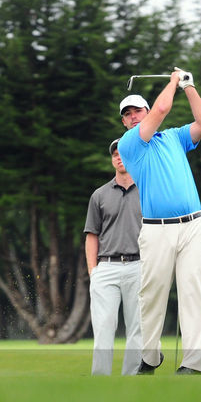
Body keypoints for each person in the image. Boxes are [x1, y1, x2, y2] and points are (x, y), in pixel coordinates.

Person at [117, 68, 201, 374]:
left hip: (193, 226)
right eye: (127, 114)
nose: (133, 117)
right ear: (124, 121)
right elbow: (162, 108)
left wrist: (189, 86)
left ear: (144, 110)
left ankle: (194, 364)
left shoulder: (173, 137)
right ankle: (150, 357)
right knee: (152, 296)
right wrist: (172, 81)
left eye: (137, 111)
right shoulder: (129, 144)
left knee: (193, 293)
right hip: (157, 230)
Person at [84, 138, 144, 375]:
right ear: (112, 160)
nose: (119, 157)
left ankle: (132, 379)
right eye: (115, 154)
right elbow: (92, 235)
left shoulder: (147, 189)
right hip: (106, 267)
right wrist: (93, 271)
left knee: (138, 330)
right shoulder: (99, 195)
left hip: (139, 265)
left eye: (124, 153)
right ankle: (100, 380)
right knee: (103, 328)